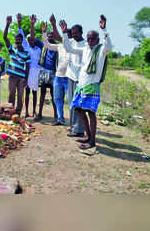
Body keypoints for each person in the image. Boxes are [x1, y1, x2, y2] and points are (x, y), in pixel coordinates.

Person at [62, 15, 112, 150]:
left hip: (91, 86)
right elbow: (69, 48)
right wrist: (64, 33)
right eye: (88, 38)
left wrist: (104, 29)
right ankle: (88, 136)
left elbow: (109, 45)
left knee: (90, 113)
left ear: (97, 39)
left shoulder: (101, 50)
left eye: (92, 38)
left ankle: (92, 141)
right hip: (81, 85)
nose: (89, 40)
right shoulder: (84, 49)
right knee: (78, 109)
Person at [51, 18, 86, 136]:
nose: (74, 35)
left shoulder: (85, 45)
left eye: (76, 33)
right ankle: (73, 127)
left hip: (80, 79)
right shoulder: (72, 42)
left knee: (78, 105)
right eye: (73, 33)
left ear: (81, 33)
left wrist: (65, 34)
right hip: (70, 77)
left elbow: (69, 48)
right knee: (72, 104)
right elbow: (64, 43)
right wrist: (62, 31)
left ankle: (79, 130)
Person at [42, 14, 71, 126]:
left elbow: (59, 36)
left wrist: (54, 24)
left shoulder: (73, 46)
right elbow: (47, 45)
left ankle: (73, 121)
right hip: (58, 77)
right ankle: (60, 118)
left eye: (67, 35)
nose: (65, 37)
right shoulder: (59, 46)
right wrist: (44, 33)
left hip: (69, 77)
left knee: (70, 100)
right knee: (57, 98)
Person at [3, 15, 31, 115]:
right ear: (15, 40)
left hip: (21, 78)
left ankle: (17, 114)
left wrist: (26, 79)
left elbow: (28, 67)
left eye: (20, 39)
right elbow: (4, 37)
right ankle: (10, 112)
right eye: (16, 40)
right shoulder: (12, 49)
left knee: (20, 96)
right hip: (12, 77)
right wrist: (7, 24)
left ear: (22, 40)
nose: (18, 41)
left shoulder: (26, 53)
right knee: (11, 95)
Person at [35, 21, 58, 122]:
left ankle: (56, 115)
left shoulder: (58, 47)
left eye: (52, 36)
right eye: (49, 36)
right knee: (42, 93)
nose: (50, 37)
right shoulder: (44, 46)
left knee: (54, 95)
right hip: (44, 71)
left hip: (54, 72)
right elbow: (34, 39)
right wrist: (43, 32)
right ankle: (39, 114)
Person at [23, 14, 43, 119]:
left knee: (35, 92)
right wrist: (32, 24)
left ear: (34, 40)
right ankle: (26, 111)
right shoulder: (27, 48)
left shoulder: (39, 49)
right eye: (29, 40)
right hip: (28, 72)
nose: (31, 41)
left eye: (32, 39)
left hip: (36, 72)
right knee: (27, 92)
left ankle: (34, 111)